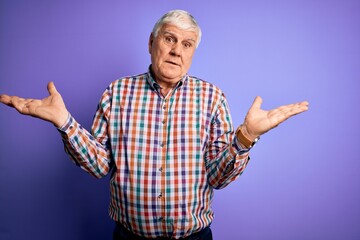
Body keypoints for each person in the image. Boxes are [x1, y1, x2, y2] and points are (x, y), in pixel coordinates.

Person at [0, 10, 308, 240]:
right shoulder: (116, 92)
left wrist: (246, 137)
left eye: (187, 44)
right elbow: (99, 165)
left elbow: (217, 178)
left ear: (193, 53)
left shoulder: (212, 97)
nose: (177, 50)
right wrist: (65, 123)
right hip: (129, 237)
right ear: (152, 42)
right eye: (170, 39)